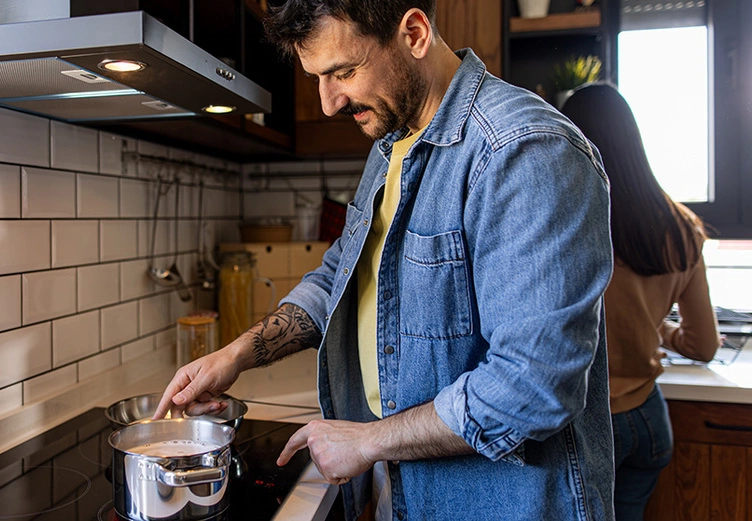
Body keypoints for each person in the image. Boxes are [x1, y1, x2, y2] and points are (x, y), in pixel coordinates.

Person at [154, 1, 616, 519]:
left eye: (343, 72)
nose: (328, 103)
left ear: (414, 33)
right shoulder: (391, 142)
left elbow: (533, 386)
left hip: (504, 503)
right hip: (412, 484)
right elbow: (341, 274)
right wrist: (238, 353)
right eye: (317, 78)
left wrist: (371, 441)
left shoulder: (525, 152)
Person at [562, 83, 721, 520]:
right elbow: (704, 345)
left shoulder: (572, 224)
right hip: (649, 419)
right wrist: (659, 328)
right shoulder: (683, 226)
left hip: (589, 423)